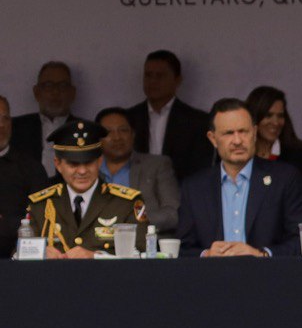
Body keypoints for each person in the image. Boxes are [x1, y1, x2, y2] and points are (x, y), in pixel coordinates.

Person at [176, 98, 302, 257]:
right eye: (228, 133)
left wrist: (262, 255)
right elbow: (181, 248)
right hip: (212, 279)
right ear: (213, 138)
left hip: (269, 278)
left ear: (254, 133)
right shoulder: (194, 187)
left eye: (243, 131)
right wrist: (207, 255)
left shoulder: (285, 178)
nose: (237, 140)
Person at [24, 120, 147, 258]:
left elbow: (144, 255)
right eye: (73, 164)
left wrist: (95, 256)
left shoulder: (126, 203)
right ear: (58, 164)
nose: (82, 171)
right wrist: (38, 253)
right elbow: (18, 254)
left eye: (88, 162)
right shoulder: (40, 205)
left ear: (99, 162)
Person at [245, 86, 302, 228]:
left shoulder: (297, 154)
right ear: (253, 118)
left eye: (280, 116)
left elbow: (300, 205)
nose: (276, 122)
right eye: (268, 115)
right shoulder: (239, 154)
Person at [125, 50, 213, 182]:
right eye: (148, 75)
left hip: (181, 195)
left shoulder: (197, 122)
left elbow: (200, 170)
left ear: (177, 80)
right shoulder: (128, 119)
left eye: (160, 76)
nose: (153, 81)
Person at [94, 107, 181, 235]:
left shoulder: (157, 165)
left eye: (123, 130)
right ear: (97, 139)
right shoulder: (88, 170)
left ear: (133, 134)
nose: (117, 137)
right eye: (108, 132)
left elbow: (172, 213)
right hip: (97, 245)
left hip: (146, 245)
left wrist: (133, 223)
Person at [10, 62, 83, 175]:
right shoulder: (15, 128)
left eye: (62, 86)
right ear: (36, 92)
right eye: (48, 85)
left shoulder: (85, 130)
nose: (55, 92)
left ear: (72, 93)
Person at [0, 94, 49, 257]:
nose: (0, 125)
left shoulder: (30, 168)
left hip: (17, 261)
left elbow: (43, 219)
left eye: (5, 118)